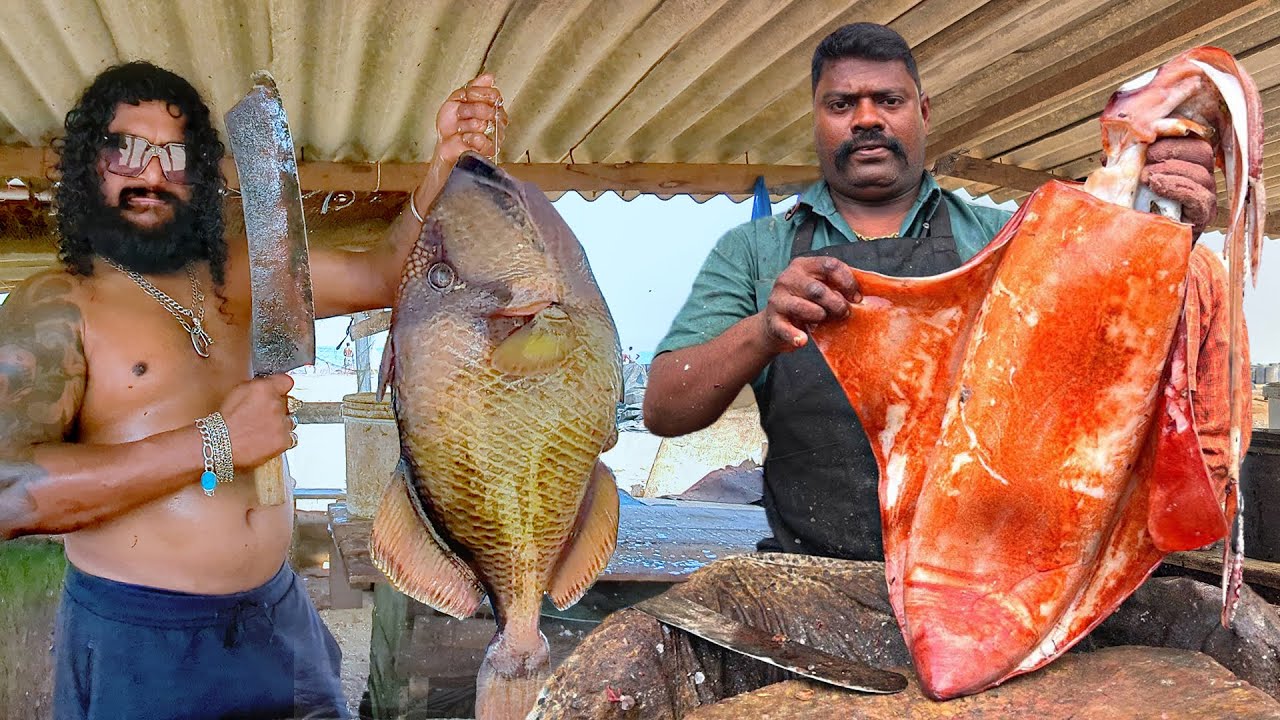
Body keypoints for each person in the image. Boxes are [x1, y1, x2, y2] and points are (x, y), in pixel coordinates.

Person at [0, 61, 507, 719]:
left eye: (175, 155)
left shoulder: (246, 272)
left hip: (279, 612)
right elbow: (8, 490)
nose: (152, 173)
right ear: (86, 166)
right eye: (126, 149)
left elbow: (387, 276)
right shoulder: (60, 304)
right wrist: (213, 443)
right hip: (147, 638)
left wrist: (446, 164)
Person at [643, 23, 1239, 561]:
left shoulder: (1007, 236)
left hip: (985, 576)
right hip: (818, 572)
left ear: (922, 111)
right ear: (818, 119)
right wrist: (764, 330)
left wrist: (1161, 226)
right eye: (842, 103)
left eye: (889, 100)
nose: (867, 118)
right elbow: (666, 409)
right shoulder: (753, 252)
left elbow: (1105, 351)